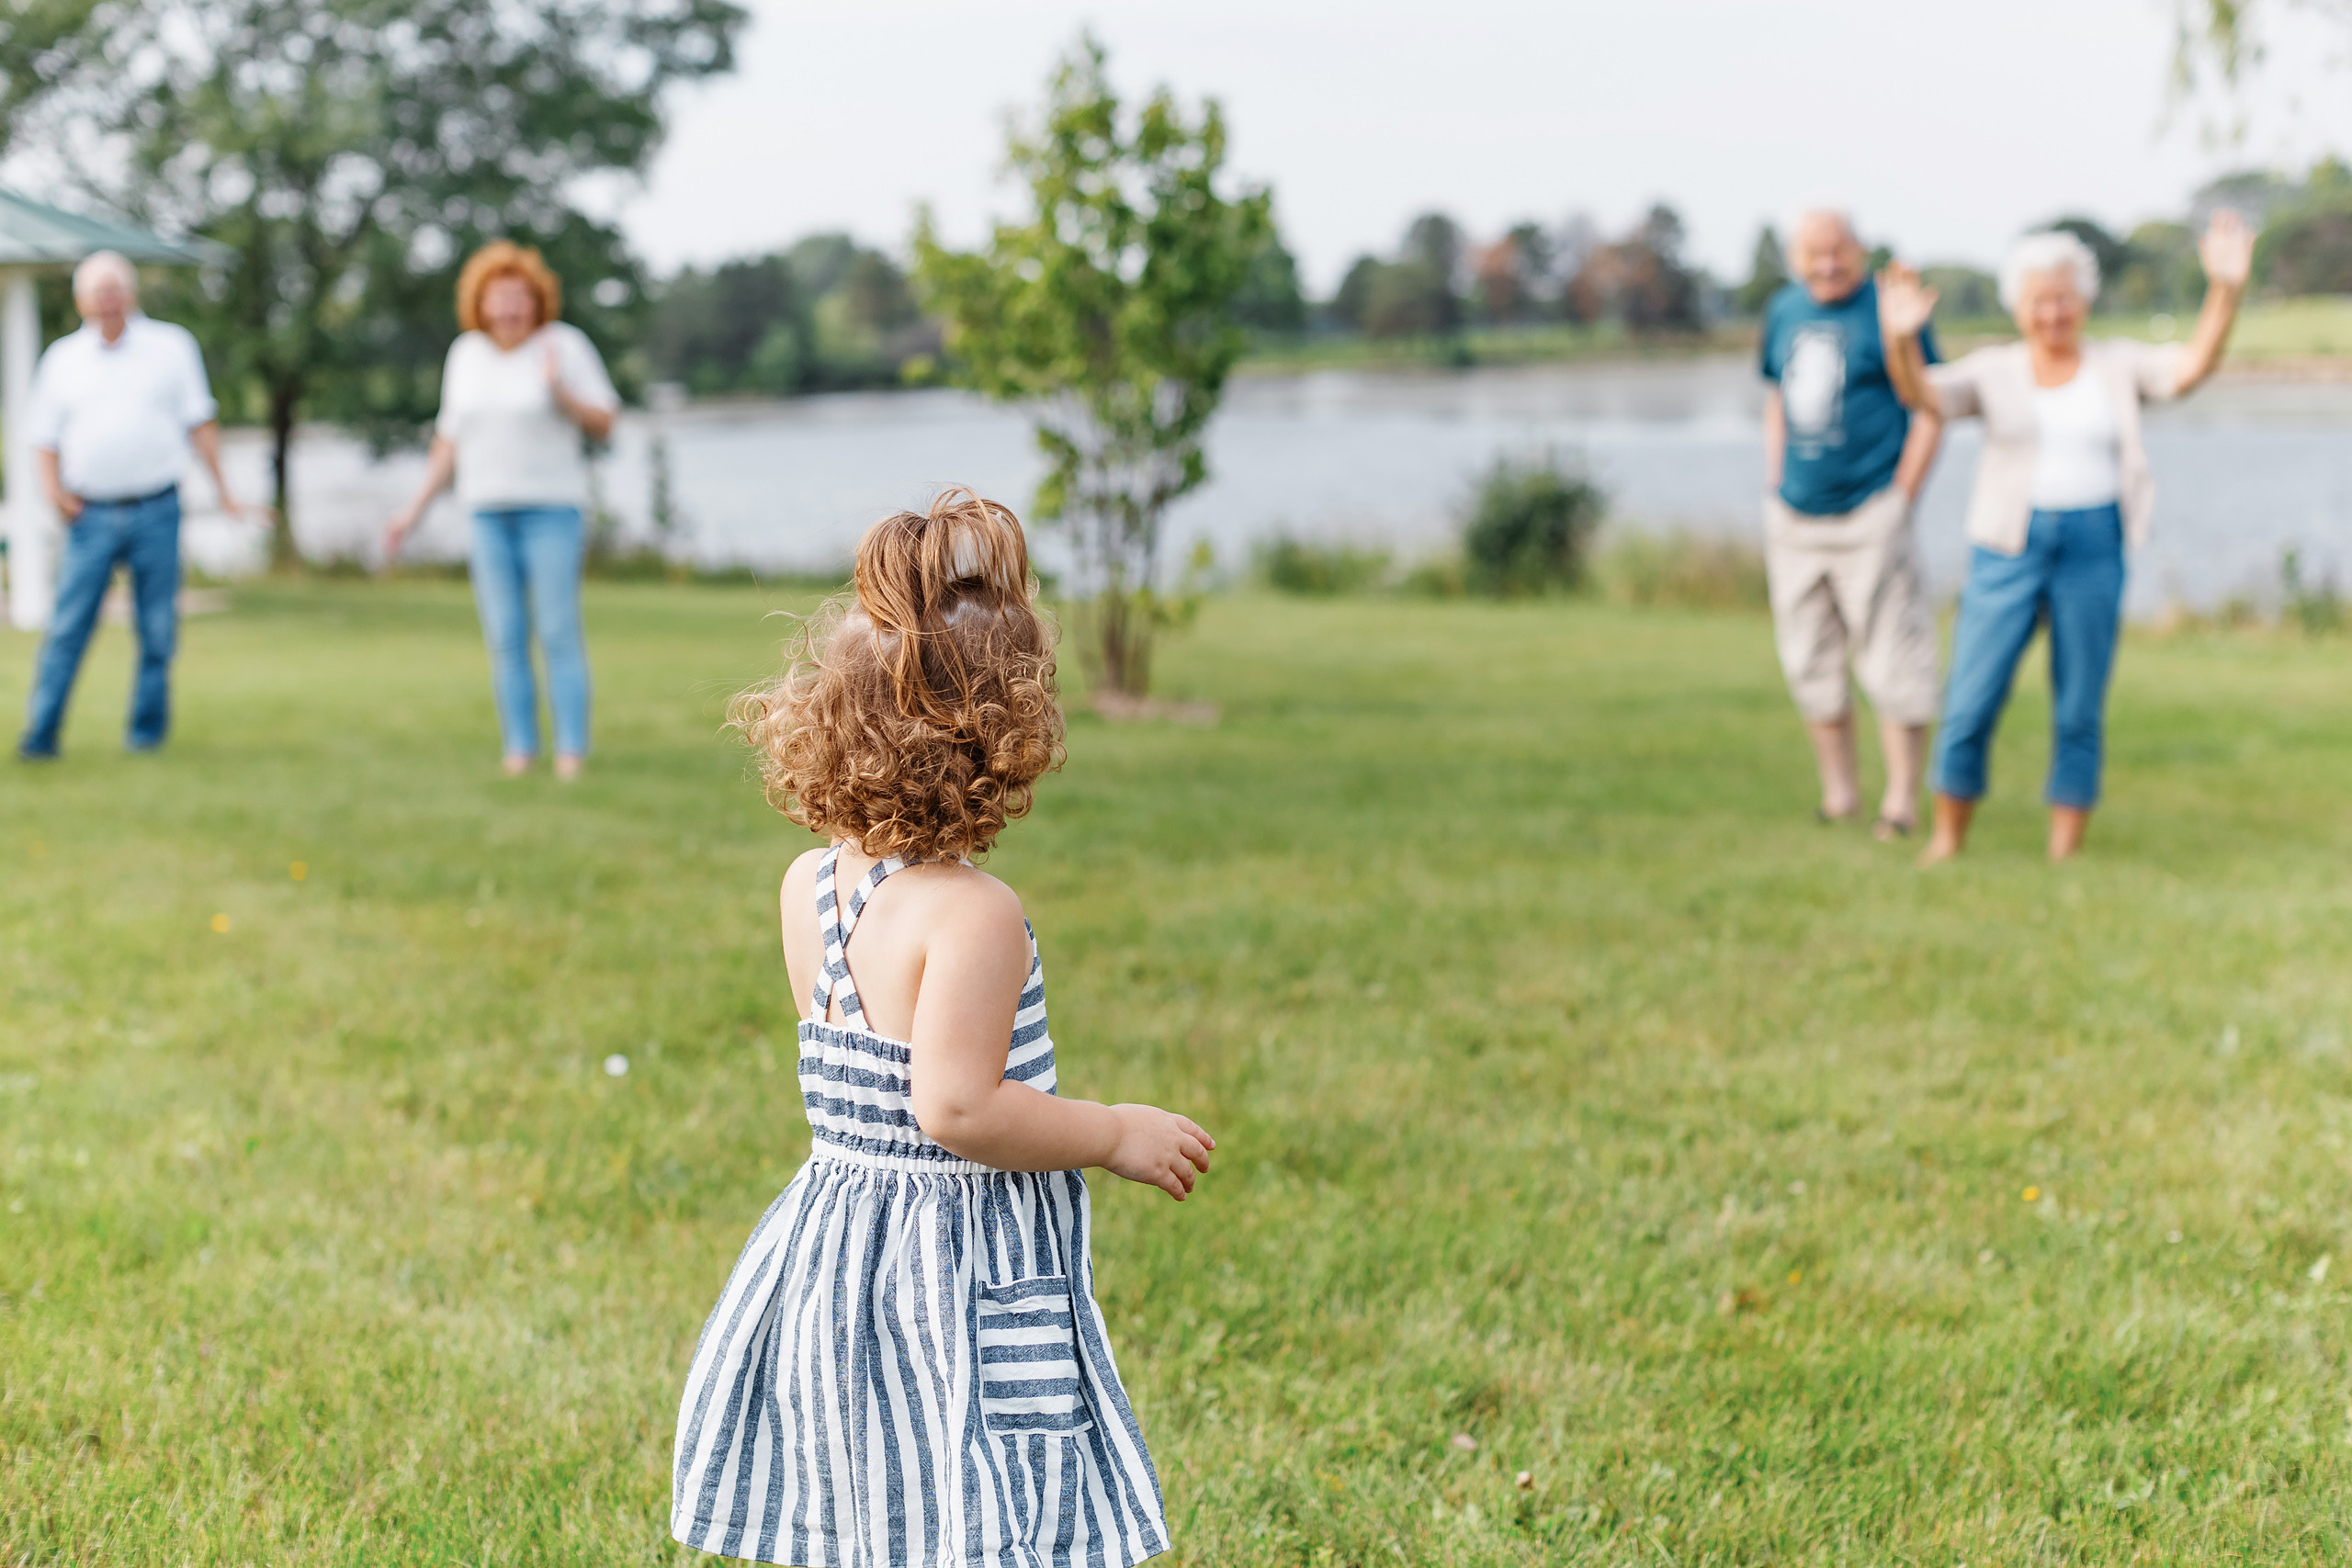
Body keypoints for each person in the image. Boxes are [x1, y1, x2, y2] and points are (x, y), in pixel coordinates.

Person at [672, 491, 1207, 1568]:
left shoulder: (809, 883)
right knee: (968, 1498)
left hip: (835, 1248)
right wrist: (1107, 1132)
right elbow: (955, 1107)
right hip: (945, 1266)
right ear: (998, 739)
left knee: (878, 1495)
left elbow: (858, 1070)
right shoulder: (973, 914)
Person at [1878, 211, 2254, 863]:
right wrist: (1901, 340)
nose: (2053, 312)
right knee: (1971, 699)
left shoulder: (2116, 365)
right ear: (2017, 306)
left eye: (2064, 298)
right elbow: (1924, 398)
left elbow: (2192, 367)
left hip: (2094, 544)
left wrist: (2225, 290)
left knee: (2079, 704)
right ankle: (1946, 839)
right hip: (2007, 546)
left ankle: (2065, 854)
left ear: (2083, 301)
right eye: (2039, 300)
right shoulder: (1995, 370)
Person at [17, 251, 266, 761]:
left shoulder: (171, 347)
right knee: (67, 629)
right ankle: (41, 737)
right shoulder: (62, 359)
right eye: (98, 290)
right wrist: (56, 496)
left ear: (131, 294)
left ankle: (145, 739)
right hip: (89, 515)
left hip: (158, 508)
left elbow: (201, 423)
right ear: (81, 299)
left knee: (157, 631)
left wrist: (226, 493)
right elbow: (43, 438)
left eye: (116, 288)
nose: (108, 299)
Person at [382, 241, 618, 780]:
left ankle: (571, 752)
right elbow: (449, 442)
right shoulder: (465, 354)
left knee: (558, 629)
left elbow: (605, 421)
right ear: (480, 305)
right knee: (505, 635)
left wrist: (559, 390)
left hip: (552, 510)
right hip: (486, 512)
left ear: (537, 301)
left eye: (519, 298)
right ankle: (519, 749)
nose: (509, 309)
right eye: (498, 299)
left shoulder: (565, 345)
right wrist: (412, 509)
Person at [1758, 209, 1946, 839]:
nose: (1828, 263)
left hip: (1871, 510)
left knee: (1893, 656)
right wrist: (1773, 481)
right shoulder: (1784, 311)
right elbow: (1776, 399)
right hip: (1795, 516)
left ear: (1860, 250)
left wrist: (1903, 496)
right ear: (1796, 258)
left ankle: (1900, 803)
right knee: (1810, 657)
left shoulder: (1891, 310)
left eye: (1839, 250)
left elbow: (1929, 406)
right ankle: (1839, 794)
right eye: (1815, 252)